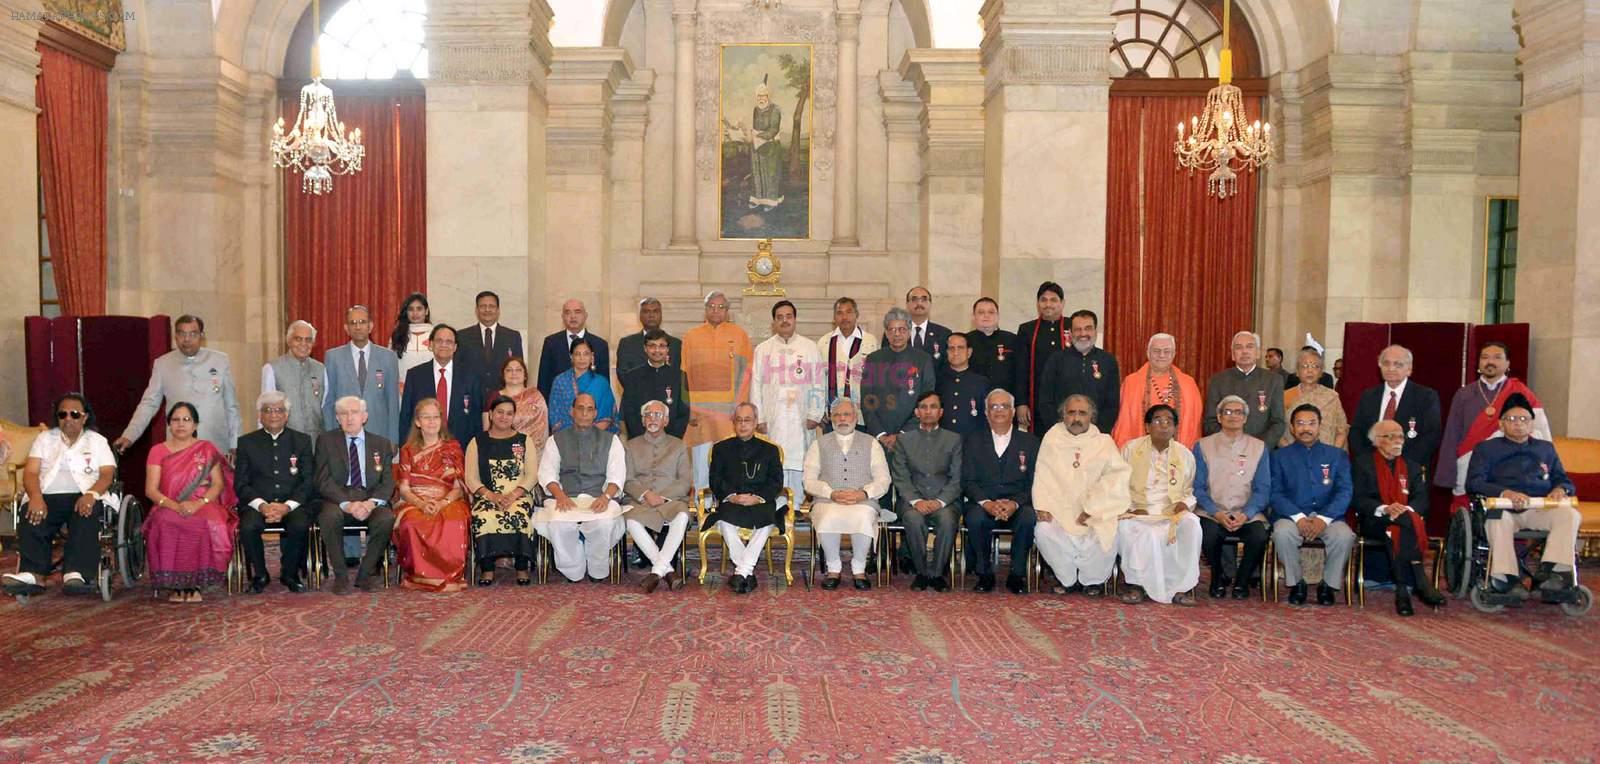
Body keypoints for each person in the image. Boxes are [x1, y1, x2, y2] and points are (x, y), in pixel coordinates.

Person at [1466, 392, 1581, 600]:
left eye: (1523, 419)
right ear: (1501, 424)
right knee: (1497, 519)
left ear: (1531, 424)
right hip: (1504, 507)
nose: (1518, 424)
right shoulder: (1486, 449)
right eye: (1511, 419)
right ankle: (1506, 578)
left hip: (1539, 507)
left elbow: (1563, 479)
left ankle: (1552, 573)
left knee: (1569, 515)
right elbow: (1474, 482)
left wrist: (1561, 489)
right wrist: (1505, 493)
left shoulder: (1545, 449)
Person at [1, 394, 115, 597]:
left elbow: (107, 474)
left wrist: (91, 494)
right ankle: (33, 573)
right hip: (47, 496)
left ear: (85, 417)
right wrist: (35, 497)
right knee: (30, 512)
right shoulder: (45, 439)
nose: (68, 419)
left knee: (86, 514)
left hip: (84, 494)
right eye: (63, 414)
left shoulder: (97, 441)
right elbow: (31, 472)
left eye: (74, 414)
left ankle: (76, 573)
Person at [1032, 395, 1131, 597]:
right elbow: (1042, 473)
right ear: (1063, 416)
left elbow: (1117, 478)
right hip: (1059, 509)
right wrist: (1042, 505)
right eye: (1071, 412)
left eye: (1082, 413)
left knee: (1109, 530)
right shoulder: (1052, 438)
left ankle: (1092, 581)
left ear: (1091, 417)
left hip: (1093, 511)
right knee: (1043, 531)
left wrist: (1093, 508)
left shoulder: (1104, 442)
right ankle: (1067, 579)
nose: (1076, 417)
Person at [1435, 342, 1550, 509]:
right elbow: (1452, 434)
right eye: (1485, 357)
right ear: (1479, 363)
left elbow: (1539, 432)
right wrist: (1447, 474)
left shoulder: (1521, 392)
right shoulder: (1464, 394)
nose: (1490, 362)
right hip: (1469, 463)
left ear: (1508, 363)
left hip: (1508, 468)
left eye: (1497, 357)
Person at [142, 402, 237, 603]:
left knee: (205, 523)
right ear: (168, 424)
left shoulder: (206, 449)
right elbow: (151, 490)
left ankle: (195, 583)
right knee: (165, 522)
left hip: (203, 503)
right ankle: (176, 584)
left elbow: (218, 485)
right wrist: (175, 506)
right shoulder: (158, 451)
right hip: (167, 503)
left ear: (195, 425)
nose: (181, 424)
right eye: (175, 420)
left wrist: (198, 503)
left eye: (186, 420)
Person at [1354, 419, 1446, 616]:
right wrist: (1386, 508)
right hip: (1375, 520)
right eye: (1391, 436)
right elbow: (1359, 498)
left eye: (1400, 436)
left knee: (1396, 530)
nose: (1398, 441)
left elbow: (1422, 499)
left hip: (1404, 520)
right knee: (1399, 526)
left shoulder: (1411, 466)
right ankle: (1421, 581)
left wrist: (1404, 510)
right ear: (1377, 441)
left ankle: (1402, 591)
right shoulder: (1363, 464)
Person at [115, 315, 241, 456]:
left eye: (193, 334)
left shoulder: (220, 360)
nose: (187, 339)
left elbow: (231, 407)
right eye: (182, 333)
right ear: (175, 336)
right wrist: (129, 435)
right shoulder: (162, 364)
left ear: (202, 336)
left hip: (216, 443)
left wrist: (235, 442)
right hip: (179, 445)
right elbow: (148, 404)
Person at [535, 394, 628, 583]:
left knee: (603, 524)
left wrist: (605, 497)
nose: (584, 413)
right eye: (580, 408)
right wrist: (560, 496)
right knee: (559, 524)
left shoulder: (611, 441)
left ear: (595, 413)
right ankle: (573, 570)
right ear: (572, 411)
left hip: (599, 497)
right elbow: (547, 474)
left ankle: (597, 569)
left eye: (589, 409)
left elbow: (617, 475)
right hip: (565, 496)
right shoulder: (556, 440)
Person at [1270, 403, 1356, 606]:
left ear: (1319, 426)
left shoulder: (1337, 456)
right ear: (1292, 428)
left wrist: (1324, 519)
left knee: (1344, 536)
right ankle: (1296, 583)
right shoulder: (1279, 456)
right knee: (1282, 533)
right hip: (1290, 517)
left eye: (1311, 423)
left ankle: (1328, 585)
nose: (1305, 428)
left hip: (1329, 517)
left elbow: (1345, 491)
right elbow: (1274, 492)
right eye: (1300, 423)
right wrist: (1298, 518)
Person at [314, 396, 399, 595]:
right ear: (337, 418)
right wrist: (347, 504)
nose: (349, 418)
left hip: (370, 498)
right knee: (328, 516)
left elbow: (388, 483)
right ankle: (341, 576)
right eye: (343, 414)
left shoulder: (382, 444)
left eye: (354, 413)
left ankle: (366, 573)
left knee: (386, 518)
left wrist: (370, 504)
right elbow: (322, 480)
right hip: (338, 499)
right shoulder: (326, 441)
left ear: (365, 417)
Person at [804, 398, 892, 591]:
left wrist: (863, 493)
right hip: (828, 499)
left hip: (862, 500)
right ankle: (833, 568)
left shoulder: (871, 443)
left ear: (855, 417)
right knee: (828, 515)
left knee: (862, 515)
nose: (842, 418)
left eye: (846, 414)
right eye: (837, 415)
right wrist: (831, 493)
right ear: (831, 418)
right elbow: (808, 481)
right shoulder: (819, 444)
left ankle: (859, 568)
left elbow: (884, 479)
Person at [1117, 404, 1201, 606]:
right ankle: (1137, 586)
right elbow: (1117, 485)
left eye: (1168, 422)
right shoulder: (1130, 449)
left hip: (1171, 511)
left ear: (1175, 428)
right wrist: (1131, 506)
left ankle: (1180, 587)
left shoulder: (1184, 455)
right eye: (1157, 420)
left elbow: (1189, 489)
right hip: (1137, 509)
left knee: (1192, 525)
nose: (1163, 425)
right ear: (1147, 426)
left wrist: (1184, 504)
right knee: (1137, 529)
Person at [234, 391, 316, 594]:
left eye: (279, 410)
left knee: (299, 525)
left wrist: (287, 506)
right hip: (258, 504)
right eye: (267, 411)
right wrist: (262, 505)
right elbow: (241, 483)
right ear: (260, 415)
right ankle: (260, 574)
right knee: (248, 527)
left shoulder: (302, 441)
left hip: (292, 503)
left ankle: (289, 573)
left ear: (287, 415)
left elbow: (308, 481)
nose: (273, 415)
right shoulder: (246, 442)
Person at [962, 389, 1040, 594]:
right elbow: (967, 480)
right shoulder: (973, 441)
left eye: (1004, 406)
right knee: (975, 518)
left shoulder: (1031, 443)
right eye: (993, 407)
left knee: (1028, 517)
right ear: (986, 413)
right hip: (984, 503)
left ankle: (1017, 575)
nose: (999, 411)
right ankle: (984, 574)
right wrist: (986, 502)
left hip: (1018, 503)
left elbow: (1034, 482)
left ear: (1013, 412)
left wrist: (1014, 503)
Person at [1194, 395, 1272, 600]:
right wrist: (1216, 513)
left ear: (1245, 418)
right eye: (1227, 412)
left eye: (1238, 412)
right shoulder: (1202, 445)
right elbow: (1197, 488)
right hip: (1212, 511)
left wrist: (1246, 514)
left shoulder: (1259, 447)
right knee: (1207, 534)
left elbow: (1263, 489)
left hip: (1247, 512)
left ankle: (1242, 581)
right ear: (1219, 417)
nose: (1233, 416)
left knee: (1259, 536)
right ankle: (1218, 578)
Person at [704, 403, 786, 593]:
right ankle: (745, 572)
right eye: (739, 420)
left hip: (759, 501)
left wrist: (757, 497)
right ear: (733, 423)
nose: (742, 425)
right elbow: (715, 479)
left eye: (747, 420)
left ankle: (742, 571)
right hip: (733, 500)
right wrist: (732, 496)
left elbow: (776, 482)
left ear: (756, 422)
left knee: (767, 522)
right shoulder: (721, 448)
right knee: (725, 521)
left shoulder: (770, 450)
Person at [391, 398, 470, 592]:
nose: (432, 422)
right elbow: (404, 489)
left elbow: (459, 487)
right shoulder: (408, 450)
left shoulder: (452, 448)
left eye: (435, 417)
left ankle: (450, 577)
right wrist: (421, 503)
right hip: (414, 501)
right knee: (412, 523)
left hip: (449, 498)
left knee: (454, 521)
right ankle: (419, 577)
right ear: (418, 422)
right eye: (426, 417)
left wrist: (442, 503)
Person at [889, 392, 963, 592]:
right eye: (923, 407)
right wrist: (916, 500)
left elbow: (957, 479)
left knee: (948, 521)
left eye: (933, 407)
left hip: (945, 502)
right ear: (917, 412)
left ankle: (937, 574)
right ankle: (921, 573)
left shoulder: (954, 440)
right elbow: (900, 476)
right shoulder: (905, 441)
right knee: (913, 520)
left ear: (941, 412)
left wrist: (939, 501)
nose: (928, 411)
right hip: (913, 501)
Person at [751, 300, 824, 499]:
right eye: (780, 317)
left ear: (795, 319)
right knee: (775, 458)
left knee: (801, 459)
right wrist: (759, 418)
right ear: (773, 321)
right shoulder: (763, 349)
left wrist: (815, 413)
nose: (784, 321)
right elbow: (755, 384)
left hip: (801, 416)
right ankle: (777, 502)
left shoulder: (809, 347)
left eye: (788, 316)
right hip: (773, 416)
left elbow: (819, 381)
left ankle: (798, 504)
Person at [682, 291, 754, 491]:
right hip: (700, 413)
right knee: (701, 467)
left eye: (721, 307)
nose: (716, 310)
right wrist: (689, 409)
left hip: (729, 413)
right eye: (711, 306)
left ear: (727, 311)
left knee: (729, 465)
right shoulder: (691, 336)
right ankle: (701, 509)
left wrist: (739, 409)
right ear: (705, 310)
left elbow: (746, 373)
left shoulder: (739, 335)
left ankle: (728, 508)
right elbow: (684, 373)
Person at [622, 400, 695, 593]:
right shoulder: (630, 446)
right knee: (630, 520)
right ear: (643, 420)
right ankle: (668, 572)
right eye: (648, 415)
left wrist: (662, 497)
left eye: (657, 415)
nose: (652, 419)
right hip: (641, 501)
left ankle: (656, 572)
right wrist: (646, 494)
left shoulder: (678, 446)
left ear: (666, 420)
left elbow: (685, 481)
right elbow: (627, 480)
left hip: (670, 501)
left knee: (682, 516)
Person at [465, 396, 538, 586]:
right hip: (488, 497)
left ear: (514, 416)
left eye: (509, 413)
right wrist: (492, 496)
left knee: (520, 515)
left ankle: (521, 568)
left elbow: (531, 475)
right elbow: (471, 478)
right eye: (499, 412)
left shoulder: (524, 441)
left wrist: (513, 495)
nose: (504, 417)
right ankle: (487, 569)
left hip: (519, 496)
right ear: (490, 414)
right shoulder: (477, 442)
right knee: (483, 516)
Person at [1349, 345, 1442, 471]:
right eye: (1386, 363)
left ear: (1409, 369)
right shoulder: (1369, 396)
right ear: (1380, 366)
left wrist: (1400, 464)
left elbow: (1431, 435)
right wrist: (1369, 461)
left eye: (1398, 364)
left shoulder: (1425, 396)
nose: (1391, 368)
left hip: (1410, 469)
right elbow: (1356, 432)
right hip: (1371, 470)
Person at [860, 307, 937, 452]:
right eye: (892, 330)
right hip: (879, 440)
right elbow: (867, 401)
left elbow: (927, 401)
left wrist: (902, 434)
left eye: (902, 329)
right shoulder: (873, 359)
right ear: (886, 333)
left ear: (909, 332)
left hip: (913, 437)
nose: (897, 334)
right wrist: (881, 434)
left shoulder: (923, 360)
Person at [325, 304, 403, 444]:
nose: (358, 327)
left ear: (370, 326)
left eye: (362, 322)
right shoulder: (333, 357)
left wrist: (393, 439)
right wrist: (330, 436)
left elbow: (392, 401)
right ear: (346, 329)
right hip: (344, 433)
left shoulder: (388, 357)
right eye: (353, 323)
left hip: (379, 433)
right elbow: (329, 401)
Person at [1110, 333, 1201, 448]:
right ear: (1148, 353)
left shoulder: (1188, 384)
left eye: (1167, 351)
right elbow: (1124, 423)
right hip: (1140, 451)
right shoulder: (1132, 382)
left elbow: (1194, 424)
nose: (1161, 355)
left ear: (1174, 354)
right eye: (1156, 351)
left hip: (1178, 452)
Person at [1037, 310, 1120, 435]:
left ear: (1095, 331)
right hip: (1061, 435)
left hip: (1095, 436)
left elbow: (1112, 404)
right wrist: (1059, 430)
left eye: (1088, 328)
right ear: (1070, 333)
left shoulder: (1108, 361)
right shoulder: (1056, 359)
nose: (1083, 333)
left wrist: (1097, 432)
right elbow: (1045, 400)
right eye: (1078, 329)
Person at [400, 324, 485, 446]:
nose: (444, 345)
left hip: (461, 448)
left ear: (455, 347)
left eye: (449, 342)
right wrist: (405, 448)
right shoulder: (415, 376)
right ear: (431, 344)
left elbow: (476, 419)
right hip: (423, 449)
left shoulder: (471, 377)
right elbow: (406, 417)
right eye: (439, 341)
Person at [1203, 330, 1286, 448]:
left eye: (1249, 347)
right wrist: (1230, 444)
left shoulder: (1273, 380)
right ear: (1232, 354)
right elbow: (1210, 421)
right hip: (1225, 450)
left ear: (1258, 353)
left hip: (1261, 451)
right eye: (1239, 347)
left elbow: (1278, 423)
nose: (1244, 351)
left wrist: (1259, 447)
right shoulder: (1217, 381)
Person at [1013, 282, 1068, 432]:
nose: (1048, 304)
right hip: (1036, 401)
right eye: (1043, 300)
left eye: (1053, 300)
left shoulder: (1072, 327)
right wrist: (1021, 403)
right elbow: (1021, 369)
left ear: (1062, 303)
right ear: (1038, 304)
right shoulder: (1027, 330)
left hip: (1067, 401)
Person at [260, 320, 328, 440]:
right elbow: (265, 410)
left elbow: (324, 406)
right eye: (298, 339)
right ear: (289, 341)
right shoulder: (272, 368)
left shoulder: (321, 369)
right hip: (284, 440)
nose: (303, 344)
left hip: (316, 441)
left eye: (308, 340)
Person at [620, 330, 691, 439]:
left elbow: (684, 413)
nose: (657, 350)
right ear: (645, 348)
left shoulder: (680, 376)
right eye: (652, 346)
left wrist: (670, 439)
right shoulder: (632, 376)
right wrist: (643, 438)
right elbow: (629, 412)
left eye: (662, 346)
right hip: (640, 440)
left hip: (670, 442)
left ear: (668, 349)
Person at [537, 299, 611, 400]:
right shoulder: (551, 343)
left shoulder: (600, 345)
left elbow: (604, 385)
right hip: (559, 407)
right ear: (562, 317)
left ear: (585, 315)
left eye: (577, 312)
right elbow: (543, 382)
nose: (573, 316)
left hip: (592, 408)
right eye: (568, 312)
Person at [454, 291, 525, 393]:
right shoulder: (462, 336)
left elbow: (519, 370)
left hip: (503, 398)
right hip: (471, 396)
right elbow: (457, 369)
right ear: (476, 310)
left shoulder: (513, 336)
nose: (487, 309)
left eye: (491, 306)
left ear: (498, 310)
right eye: (483, 306)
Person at [817, 296, 879, 414]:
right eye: (840, 313)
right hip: (833, 414)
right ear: (834, 317)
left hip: (863, 415)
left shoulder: (870, 342)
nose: (844, 317)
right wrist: (820, 410)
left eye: (849, 312)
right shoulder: (824, 343)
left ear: (857, 314)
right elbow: (817, 379)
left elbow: (877, 380)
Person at [487, 356, 549, 466]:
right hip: (501, 453)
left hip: (534, 454)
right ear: (503, 375)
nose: (513, 373)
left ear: (525, 375)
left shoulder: (535, 396)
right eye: (509, 370)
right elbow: (488, 429)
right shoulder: (494, 397)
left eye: (518, 370)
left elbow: (543, 426)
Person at [1280, 348, 1348, 448]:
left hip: (1327, 457)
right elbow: (1277, 431)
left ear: (1321, 372)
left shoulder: (1332, 397)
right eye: (1305, 366)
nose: (1310, 370)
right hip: (1293, 457)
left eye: (1315, 366)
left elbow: (1341, 430)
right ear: (1297, 372)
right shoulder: (1285, 396)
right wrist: (1291, 453)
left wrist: (1332, 455)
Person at [547, 338, 618, 434]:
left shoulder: (601, 383)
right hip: (567, 440)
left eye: (586, 354)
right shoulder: (560, 382)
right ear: (571, 357)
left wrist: (587, 436)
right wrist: (574, 437)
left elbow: (606, 419)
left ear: (592, 357)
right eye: (577, 354)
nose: (582, 358)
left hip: (597, 440)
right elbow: (556, 417)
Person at [741, 75, 785, 210]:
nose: (761, 99)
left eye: (763, 96)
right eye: (758, 96)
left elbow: (773, 130)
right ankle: (757, 199)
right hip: (757, 146)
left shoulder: (775, 110)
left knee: (770, 174)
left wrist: (758, 134)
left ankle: (771, 201)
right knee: (757, 172)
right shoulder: (756, 110)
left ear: (768, 96)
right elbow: (754, 126)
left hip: (770, 147)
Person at [936, 332, 991, 436]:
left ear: (969, 352)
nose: (955, 352)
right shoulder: (938, 381)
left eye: (960, 348)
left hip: (972, 442)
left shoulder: (982, 382)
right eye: (951, 348)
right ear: (947, 352)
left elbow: (987, 418)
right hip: (943, 443)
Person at [616, 297, 683, 379]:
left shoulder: (676, 344)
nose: (651, 315)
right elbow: (623, 373)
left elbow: (678, 375)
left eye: (655, 311)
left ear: (661, 315)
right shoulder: (627, 343)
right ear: (640, 315)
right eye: (646, 311)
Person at [966, 297, 1019, 397]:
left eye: (991, 312)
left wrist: (1021, 403)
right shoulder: (965, 341)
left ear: (998, 316)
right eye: (981, 312)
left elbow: (1020, 374)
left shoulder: (1012, 340)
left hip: (1005, 400)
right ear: (974, 317)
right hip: (973, 398)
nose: (986, 315)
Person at [905, 286, 952, 371]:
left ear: (930, 304)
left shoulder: (944, 334)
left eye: (924, 299)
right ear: (907, 304)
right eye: (914, 299)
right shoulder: (895, 333)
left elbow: (947, 367)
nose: (919, 303)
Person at [391, 292, 435, 378]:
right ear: (406, 312)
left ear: (426, 311)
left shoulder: (436, 335)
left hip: (431, 388)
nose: (415, 313)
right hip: (403, 388)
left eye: (419, 309)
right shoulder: (397, 335)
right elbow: (390, 365)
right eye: (411, 309)